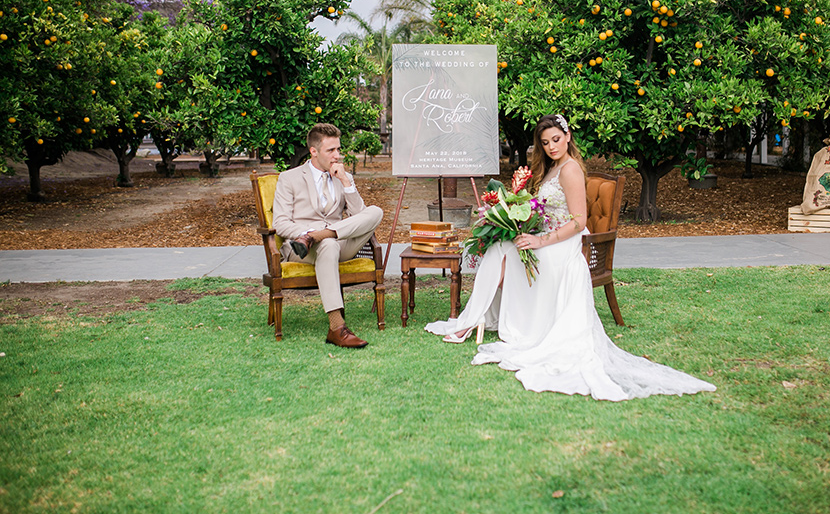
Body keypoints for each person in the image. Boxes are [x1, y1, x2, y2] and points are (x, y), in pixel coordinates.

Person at [425, 114, 716, 401]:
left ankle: (482, 318)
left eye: (556, 139)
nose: (552, 146)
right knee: (499, 247)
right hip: (546, 233)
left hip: (563, 243)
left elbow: (578, 221)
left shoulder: (570, 169)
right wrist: (520, 224)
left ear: (567, 137)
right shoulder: (551, 169)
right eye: (545, 142)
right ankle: (478, 317)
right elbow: (541, 209)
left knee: (506, 253)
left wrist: (540, 240)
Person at [273, 123, 383, 348]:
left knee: (375, 212)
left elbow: (360, 218)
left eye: (338, 150)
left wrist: (346, 182)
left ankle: (321, 235)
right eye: (330, 151)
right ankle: (337, 327)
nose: (337, 156)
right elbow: (280, 223)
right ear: (314, 151)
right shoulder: (289, 178)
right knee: (328, 246)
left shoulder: (343, 176)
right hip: (302, 249)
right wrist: (305, 234)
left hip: (340, 242)